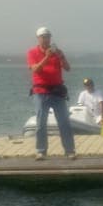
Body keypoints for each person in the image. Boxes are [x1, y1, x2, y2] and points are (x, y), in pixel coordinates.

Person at [26, 27, 76, 160]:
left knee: (64, 122)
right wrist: (47, 57)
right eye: (43, 37)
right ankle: (41, 151)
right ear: (38, 38)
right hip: (41, 92)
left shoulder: (56, 53)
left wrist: (62, 56)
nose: (46, 39)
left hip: (57, 91)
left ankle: (70, 150)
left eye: (48, 36)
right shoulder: (32, 52)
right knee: (41, 123)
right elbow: (36, 69)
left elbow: (68, 68)